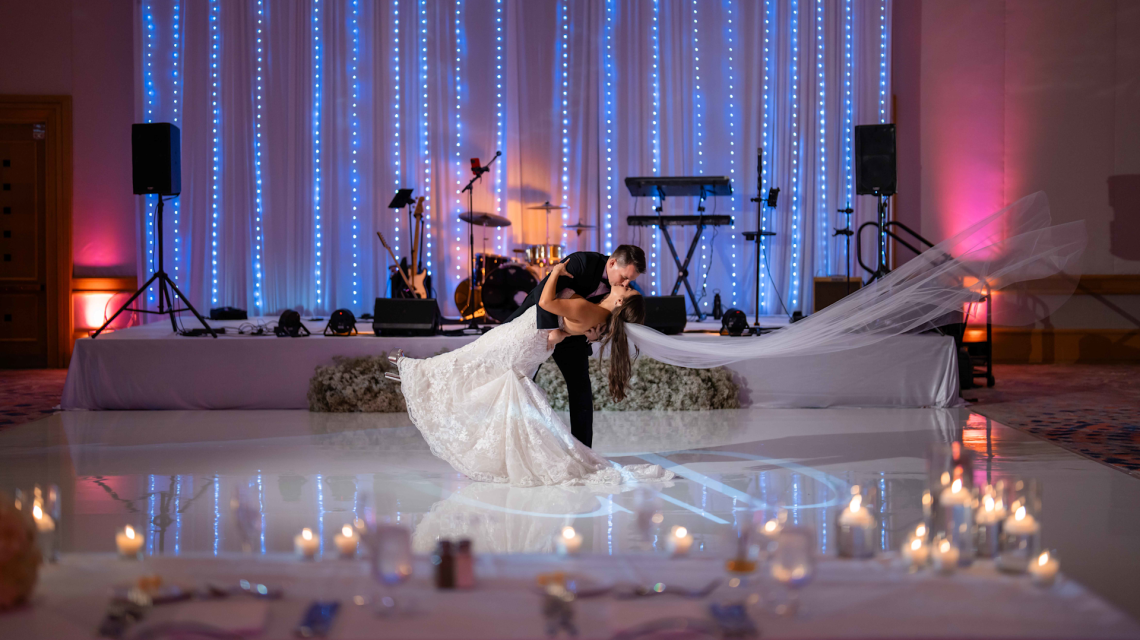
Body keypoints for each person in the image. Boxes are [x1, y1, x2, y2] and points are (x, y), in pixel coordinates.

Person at [387, 247, 671, 487]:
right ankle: (425, 383)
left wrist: (575, 334)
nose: (625, 283)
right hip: (537, 326)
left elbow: (588, 314)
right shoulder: (584, 263)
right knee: (507, 379)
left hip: (565, 334)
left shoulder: (613, 295)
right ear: (612, 263)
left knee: (577, 390)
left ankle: (582, 453)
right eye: (624, 277)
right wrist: (551, 333)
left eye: (629, 282)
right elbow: (545, 294)